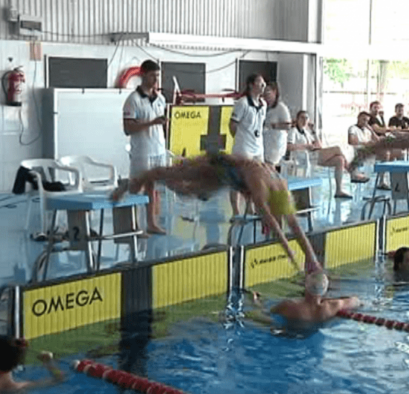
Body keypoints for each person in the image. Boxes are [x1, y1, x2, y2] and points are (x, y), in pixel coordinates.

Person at [111, 152, 322, 273]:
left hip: (226, 179)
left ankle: (136, 183)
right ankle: (131, 183)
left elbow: (294, 228)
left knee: (186, 192)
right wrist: (291, 254)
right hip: (217, 166)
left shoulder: (281, 192)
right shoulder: (262, 188)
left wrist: (312, 260)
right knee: (172, 175)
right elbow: (272, 223)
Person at [123, 59, 168, 235]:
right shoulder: (132, 100)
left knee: (152, 187)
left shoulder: (161, 100)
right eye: (152, 75)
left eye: (157, 76)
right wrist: (151, 123)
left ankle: (151, 223)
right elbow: (128, 128)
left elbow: (159, 124)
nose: (155, 79)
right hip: (142, 151)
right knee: (136, 187)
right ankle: (132, 225)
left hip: (157, 149)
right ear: (143, 75)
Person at [288, 111, 367, 199]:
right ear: (297, 119)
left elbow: (319, 145)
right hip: (303, 157)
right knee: (337, 148)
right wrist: (306, 146)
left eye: (306, 118)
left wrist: (313, 131)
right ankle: (352, 172)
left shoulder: (307, 132)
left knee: (339, 159)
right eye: (302, 118)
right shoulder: (293, 131)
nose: (304, 120)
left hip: (314, 154)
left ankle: (339, 190)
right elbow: (289, 146)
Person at [262, 271, 361, 327]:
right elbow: (356, 301)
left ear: (306, 287)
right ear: (325, 290)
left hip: (289, 336)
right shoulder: (332, 306)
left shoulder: (289, 306)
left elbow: (264, 314)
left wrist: (255, 301)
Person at [229, 74, 267, 216]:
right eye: (260, 82)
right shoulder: (242, 103)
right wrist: (240, 140)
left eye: (264, 83)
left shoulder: (263, 104)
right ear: (251, 85)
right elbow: (232, 125)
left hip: (258, 147)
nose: (263, 85)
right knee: (238, 179)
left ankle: (250, 207)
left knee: (256, 179)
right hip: (243, 146)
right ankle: (235, 211)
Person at [262, 82, 292, 169]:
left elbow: (288, 125)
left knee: (270, 168)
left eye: (268, 93)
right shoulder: (264, 107)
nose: (265, 96)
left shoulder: (281, 107)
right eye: (264, 94)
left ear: (275, 92)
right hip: (265, 142)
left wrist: (274, 126)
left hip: (275, 144)